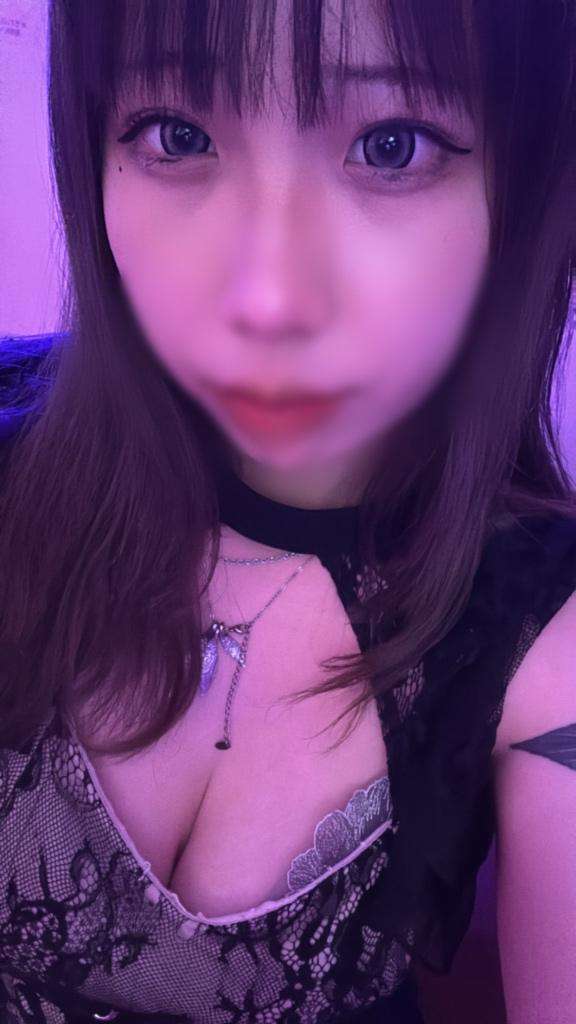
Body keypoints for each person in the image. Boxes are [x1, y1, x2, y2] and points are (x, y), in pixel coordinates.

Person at [0, 0, 575, 1022]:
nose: (266, 298)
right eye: (177, 135)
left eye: (392, 145)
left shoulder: (545, 627)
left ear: (524, 185)